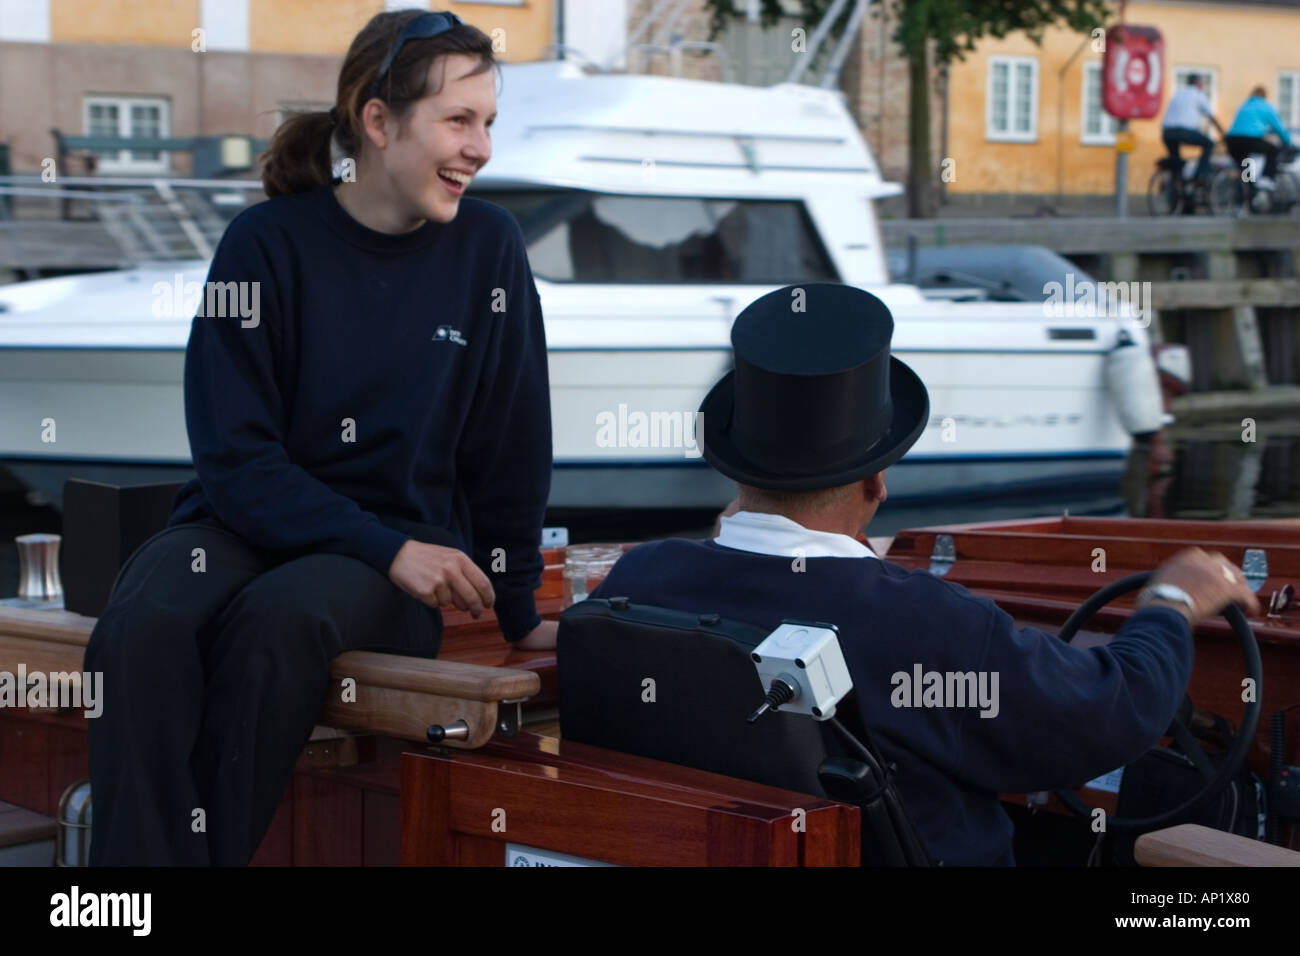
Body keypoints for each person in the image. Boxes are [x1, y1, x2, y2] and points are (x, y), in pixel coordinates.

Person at [83, 9, 555, 866]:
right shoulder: (262, 244)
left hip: (386, 565)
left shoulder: (489, 250)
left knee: (282, 619)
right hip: (242, 526)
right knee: (139, 625)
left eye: (487, 123)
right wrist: (382, 546)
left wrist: (516, 605)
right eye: (459, 120)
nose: (481, 148)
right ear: (378, 122)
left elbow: (511, 443)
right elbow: (234, 456)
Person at [589, 283, 1262, 866]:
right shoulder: (923, 622)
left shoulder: (639, 580)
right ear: (878, 483)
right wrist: (1174, 600)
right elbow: (1112, 711)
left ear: (736, 471)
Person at [1160, 73, 1223, 189]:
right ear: (1198, 83)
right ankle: (1199, 176)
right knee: (1209, 144)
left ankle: (1176, 191)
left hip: (1167, 132)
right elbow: (1210, 116)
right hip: (1184, 131)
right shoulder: (1198, 95)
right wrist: (1222, 132)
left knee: (1176, 160)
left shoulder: (1178, 94)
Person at [1225, 85, 1293, 189]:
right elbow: (1279, 127)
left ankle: (1248, 194)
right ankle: (1267, 178)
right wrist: (1288, 141)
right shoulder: (1264, 106)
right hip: (1249, 139)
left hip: (1232, 140)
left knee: (1246, 169)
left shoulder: (1244, 105)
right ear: (1264, 96)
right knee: (1273, 150)